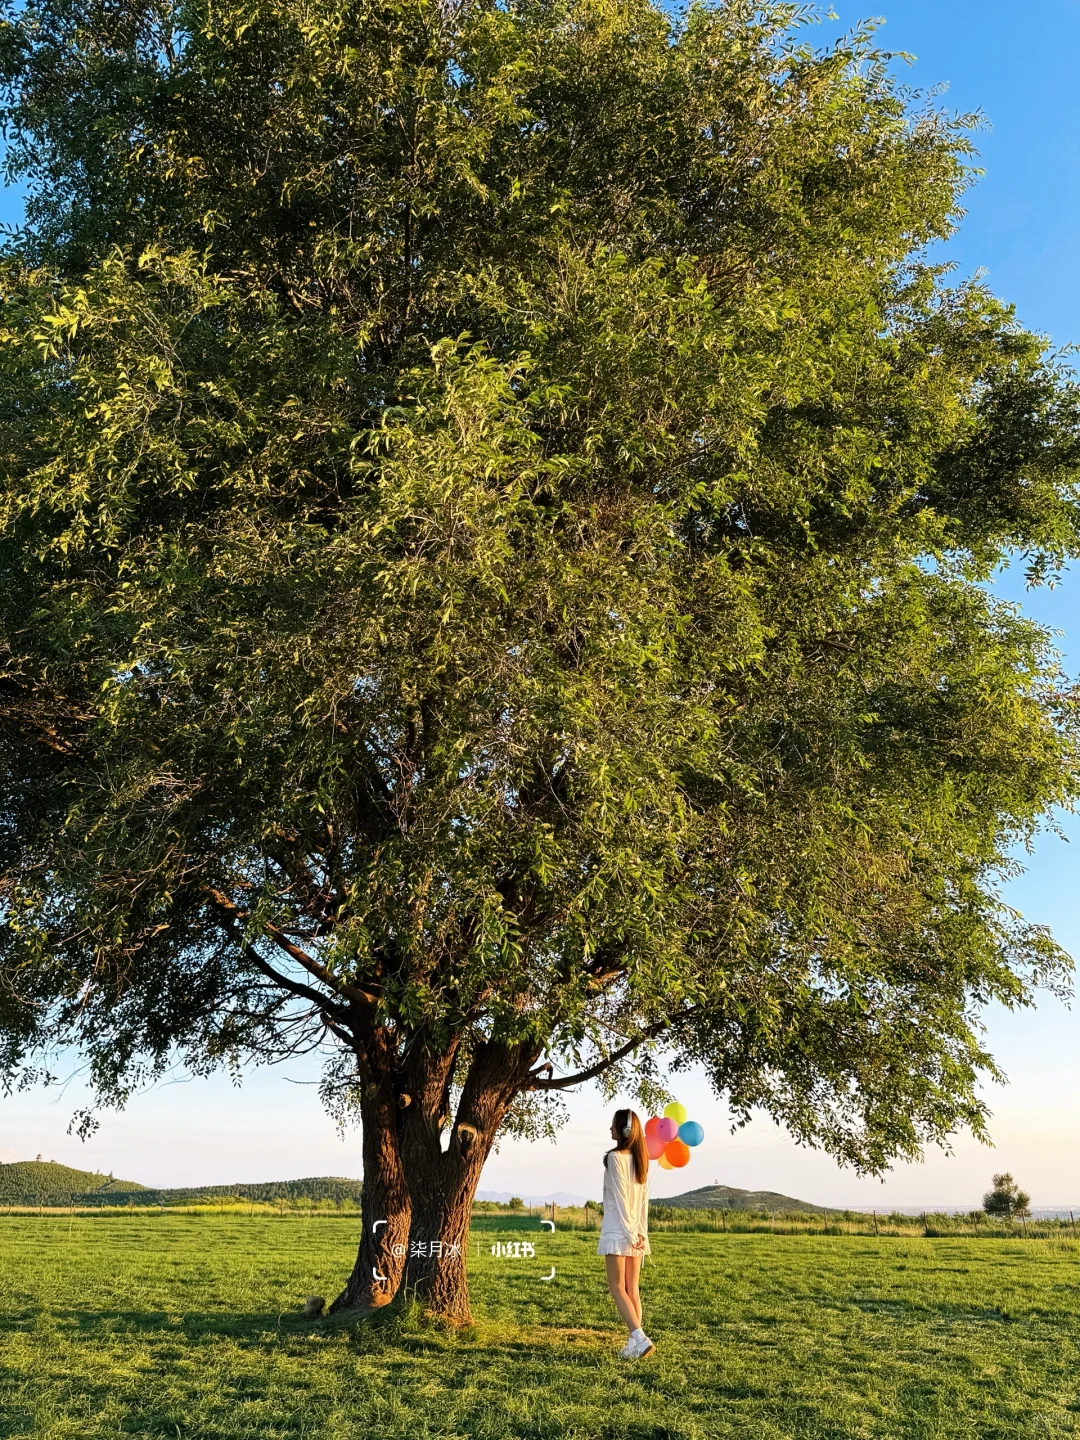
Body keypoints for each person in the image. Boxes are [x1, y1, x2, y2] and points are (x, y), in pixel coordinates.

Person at [597, 1107, 655, 1359]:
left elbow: (621, 1200)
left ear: (625, 1130)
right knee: (633, 1289)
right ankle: (634, 1345)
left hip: (619, 1230)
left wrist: (632, 1233)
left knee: (616, 1286)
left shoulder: (615, 1158)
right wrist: (641, 1232)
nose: (610, 1128)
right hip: (635, 1231)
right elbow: (643, 1202)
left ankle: (640, 1339)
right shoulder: (641, 1159)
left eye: (613, 1125)